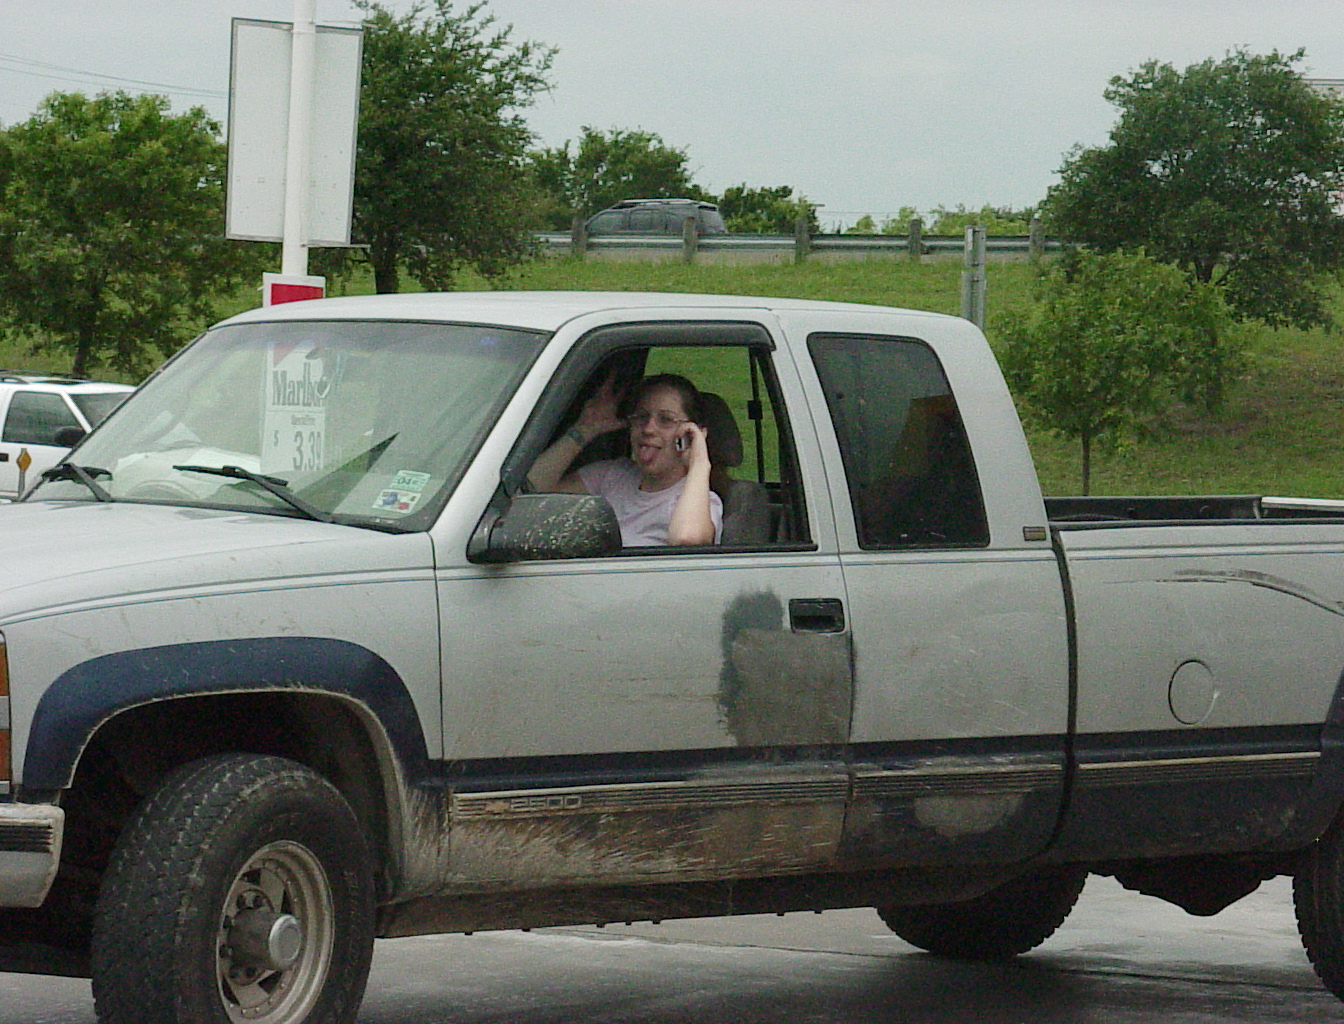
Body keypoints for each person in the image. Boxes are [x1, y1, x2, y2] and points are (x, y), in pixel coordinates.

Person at [528, 372, 722, 547]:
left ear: (690, 435)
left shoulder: (701, 502)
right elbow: (529, 491)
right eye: (642, 417)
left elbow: (687, 540)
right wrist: (584, 430)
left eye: (666, 420)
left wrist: (699, 462)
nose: (648, 429)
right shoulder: (613, 475)